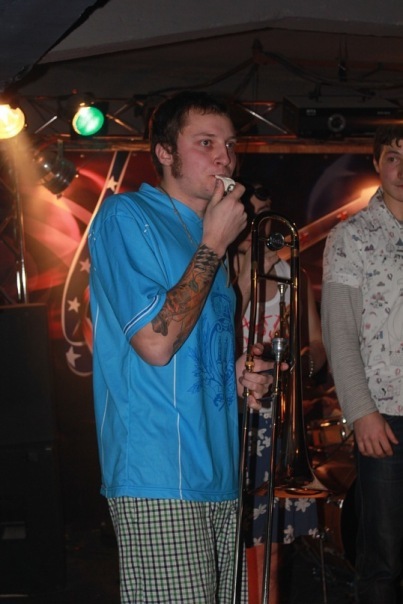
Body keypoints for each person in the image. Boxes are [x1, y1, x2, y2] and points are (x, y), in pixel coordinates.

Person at [88, 90, 275, 604]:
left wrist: (233, 371)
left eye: (230, 144)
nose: (225, 157)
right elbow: (154, 342)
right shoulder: (127, 216)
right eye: (206, 143)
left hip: (219, 472)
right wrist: (214, 244)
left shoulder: (210, 235)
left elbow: (188, 348)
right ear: (165, 152)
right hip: (158, 473)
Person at [231, 182, 327, 604]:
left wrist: (305, 363)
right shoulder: (223, 275)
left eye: (263, 213)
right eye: (249, 213)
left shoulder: (293, 276)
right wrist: (251, 271)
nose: (258, 223)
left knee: (270, 550)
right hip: (235, 417)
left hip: (277, 419)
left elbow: (317, 343)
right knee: (234, 547)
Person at [321, 124, 403, 604]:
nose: (402, 168)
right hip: (385, 417)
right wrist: (361, 412)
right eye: (393, 156)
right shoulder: (350, 236)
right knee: (383, 558)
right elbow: (339, 333)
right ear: (377, 163)